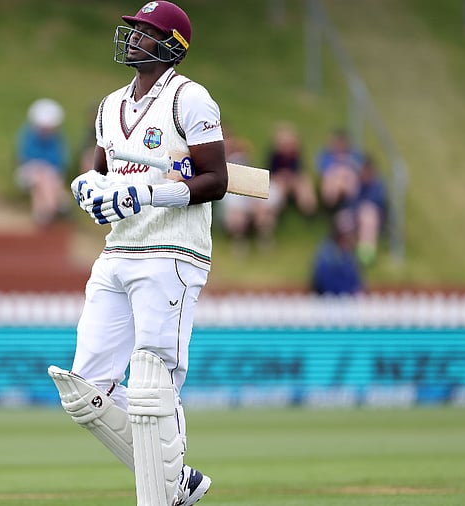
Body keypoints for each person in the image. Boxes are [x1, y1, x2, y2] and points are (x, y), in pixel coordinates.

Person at [47, 3, 227, 505]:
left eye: (145, 32)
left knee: (151, 387)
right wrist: (88, 185)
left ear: (171, 43)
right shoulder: (109, 106)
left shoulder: (189, 99)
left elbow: (216, 179)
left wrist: (148, 194)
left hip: (171, 251)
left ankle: (158, 497)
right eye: (132, 29)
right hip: (118, 249)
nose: (132, 38)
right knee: (84, 390)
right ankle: (177, 481)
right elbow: (102, 167)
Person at [219, 130, 277, 253]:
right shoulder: (218, 161)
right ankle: (239, 240)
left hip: (247, 190)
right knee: (236, 212)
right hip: (230, 193)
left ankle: (263, 238)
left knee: (262, 208)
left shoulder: (241, 156)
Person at [15, 98, 69, 226]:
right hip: (31, 173)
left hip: (49, 176)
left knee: (42, 184)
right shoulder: (28, 136)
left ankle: (44, 214)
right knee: (41, 178)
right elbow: (25, 157)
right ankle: (58, 204)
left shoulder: (57, 139)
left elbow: (59, 161)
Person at [265, 122, 317, 218]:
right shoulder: (274, 156)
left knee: (305, 185)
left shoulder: (296, 154)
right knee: (279, 187)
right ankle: (276, 210)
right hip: (279, 181)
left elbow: (300, 171)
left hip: (293, 180)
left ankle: (309, 209)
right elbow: (269, 173)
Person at [310, 208, 364, 296]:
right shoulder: (326, 254)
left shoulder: (349, 254)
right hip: (329, 302)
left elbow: (357, 282)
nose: (351, 236)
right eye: (348, 233)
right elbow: (323, 283)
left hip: (348, 302)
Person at [347, 155, 387, 265]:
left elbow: (377, 204)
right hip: (356, 214)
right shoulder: (358, 184)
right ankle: (343, 254)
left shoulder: (378, 185)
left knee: (368, 215)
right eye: (365, 171)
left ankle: (366, 255)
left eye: (369, 172)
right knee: (343, 219)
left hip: (373, 217)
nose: (366, 174)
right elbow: (351, 203)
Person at [316, 128, 364, 210]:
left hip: (349, 182)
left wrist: (346, 162)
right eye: (337, 142)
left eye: (342, 142)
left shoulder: (355, 155)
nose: (339, 145)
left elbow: (361, 170)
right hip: (332, 181)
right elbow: (323, 170)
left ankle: (344, 205)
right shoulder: (325, 154)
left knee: (346, 174)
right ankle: (332, 203)